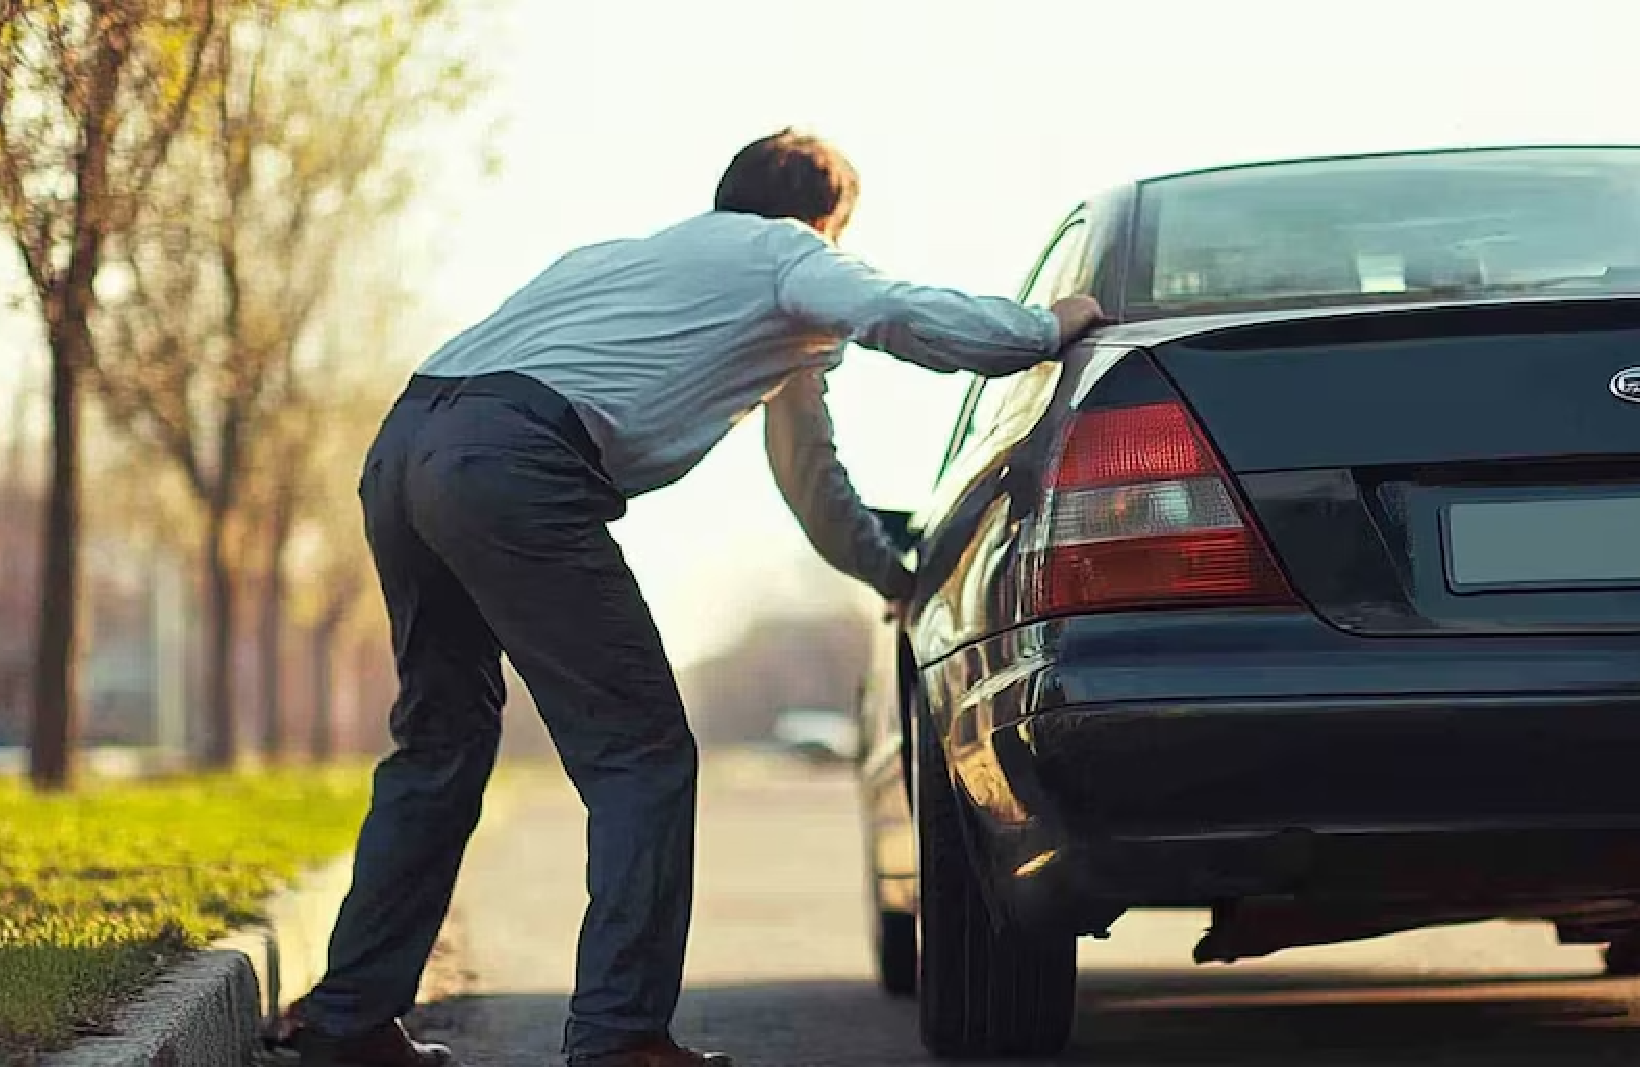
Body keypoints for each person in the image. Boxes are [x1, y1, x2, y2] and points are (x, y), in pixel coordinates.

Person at [276, 129, 1106, 1067]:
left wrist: (893, 575)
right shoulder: (786, 255)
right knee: (641, 751)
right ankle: (621, 1035)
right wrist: (1044, 329)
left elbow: (806, 474)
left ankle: (346, 1017)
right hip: (511, 465)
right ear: (823, 222)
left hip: (403, 449)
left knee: (442, 735)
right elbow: (898, 315)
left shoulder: (626, 261)